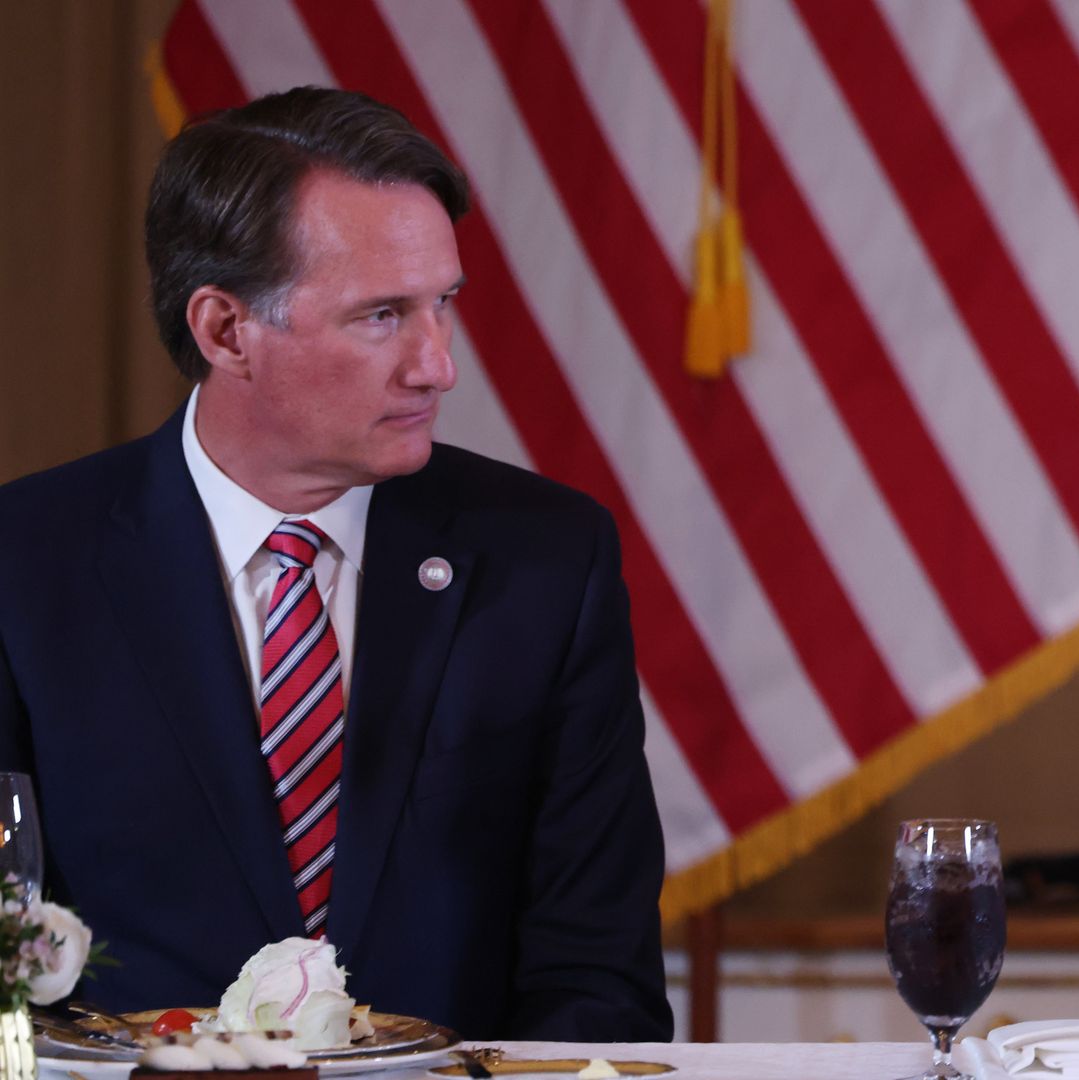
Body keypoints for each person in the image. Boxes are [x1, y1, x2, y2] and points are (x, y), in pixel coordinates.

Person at [0, 87, 672, 1041]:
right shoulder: (26, 565)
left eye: (443, 304)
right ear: (227, 330)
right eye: (382, 315)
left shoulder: (547, 561)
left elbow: (597, 976)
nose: (437, 365)